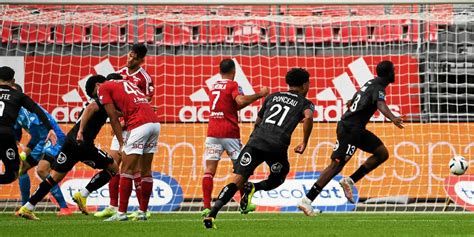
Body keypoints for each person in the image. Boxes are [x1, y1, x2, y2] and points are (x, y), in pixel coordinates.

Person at [203, 68, 314, 229]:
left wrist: (254, 139)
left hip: (255, 142)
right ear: (305, 85)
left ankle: (212, 213)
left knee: (237, 179)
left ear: (288, 83)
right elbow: (309, 117)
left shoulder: (272, 96)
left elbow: (258, 121)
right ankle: (254, 187)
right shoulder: (306, 103)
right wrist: (304, 142)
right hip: (276, 146)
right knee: (279, 176)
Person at [297, 60, 404, 216]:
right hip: (349, 129)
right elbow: (380, 105)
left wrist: (352, 101)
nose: (395, 73)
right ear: (389, 74)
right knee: (336, 166)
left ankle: (350, 180)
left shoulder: (371, 82)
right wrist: (393, 118)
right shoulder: (379, 87)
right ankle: (306, 200)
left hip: (357, 130)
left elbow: (359, 93)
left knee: (382, 153)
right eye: (393, 70)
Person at [16, 75, 119, 220]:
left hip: (70, 142)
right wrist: (82, 131)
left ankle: (28, 207)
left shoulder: (99, 101)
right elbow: (92, 107)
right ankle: (83, 194)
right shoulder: (100, 98)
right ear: (98, 86)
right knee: (113, 168)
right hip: (83, 143)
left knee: (54, 177)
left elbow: (113, 113)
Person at [201, 59, 269, 217]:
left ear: (220, 71)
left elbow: (235, 105)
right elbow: (239, 100)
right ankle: (244, 205)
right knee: (242, 170)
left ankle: (205, 207)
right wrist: (260, 94)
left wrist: (246, 100)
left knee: (209, 171)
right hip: (229, 133)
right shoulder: (233, 85)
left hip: (212, 132)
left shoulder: (214, 86)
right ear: (234, 71)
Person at [95, 44, 154, 219]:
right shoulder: (119, 74)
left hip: (137, 125)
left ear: (141, 60)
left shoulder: (145, 78)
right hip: (124, 125)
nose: (130, 59)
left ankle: (141, 209)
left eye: (134, 58)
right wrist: (119, 123)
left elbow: (145, 100)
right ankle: (113, 206)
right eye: (129, 55)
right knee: (113, 163)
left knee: (136, 169)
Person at [13, 84, 72, 216]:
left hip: (54, 140)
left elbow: (35, 137)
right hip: (40, 142)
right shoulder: (13, 110)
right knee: (21, 170)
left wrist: (23, 154)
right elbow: (17, 130)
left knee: (42, 170)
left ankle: (64, 208)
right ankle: (24, 207)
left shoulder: (28, 110)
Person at [0, 66, 57, 185]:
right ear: (13, 81)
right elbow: (38, 110)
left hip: (7, 135)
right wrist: (50, 128)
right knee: (13, 174)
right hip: (5, 136)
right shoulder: (18, 95)